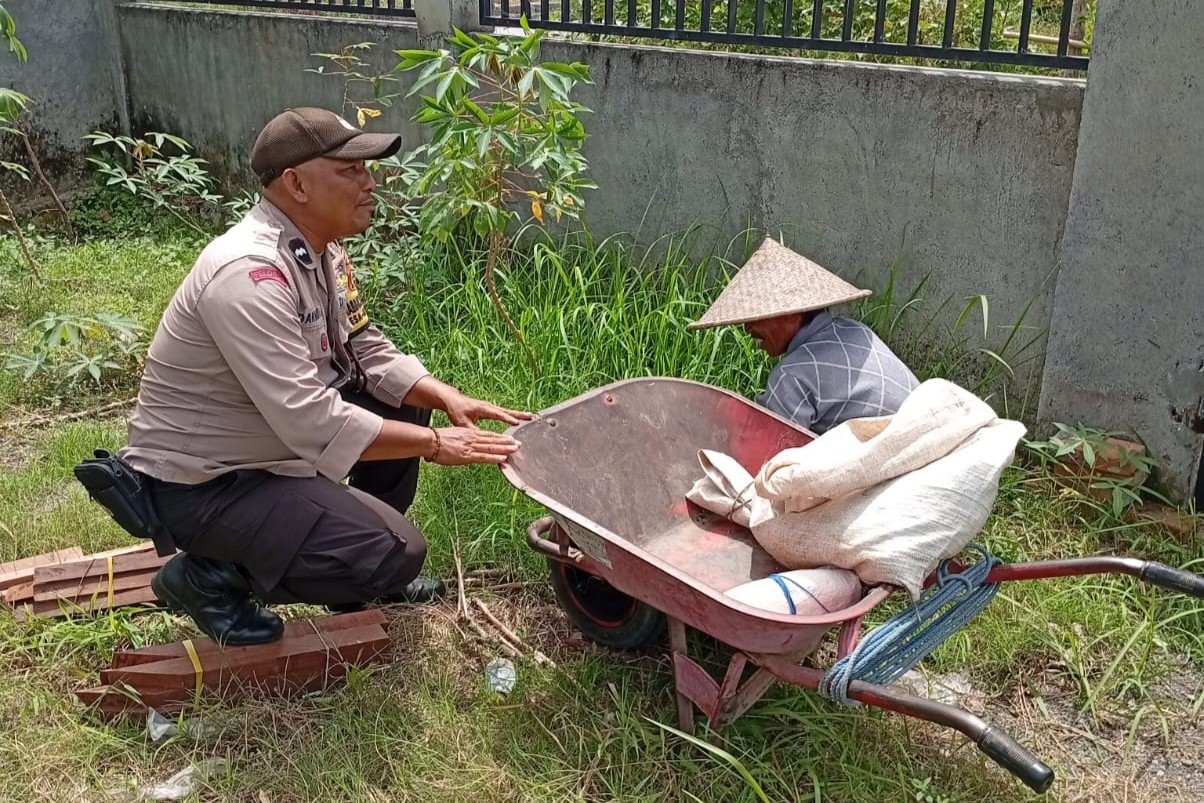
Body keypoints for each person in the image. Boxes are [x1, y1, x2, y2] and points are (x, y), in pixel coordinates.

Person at [119, 107, 529, 646]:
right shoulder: (247, 275)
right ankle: (208, 576)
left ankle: (346, 558)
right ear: (296, 184)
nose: (370, 182)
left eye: (367, 169)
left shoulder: (320, 251)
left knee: (404, 400)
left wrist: (443, 395)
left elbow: (358, 345)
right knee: (398, 552)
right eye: (350, 170)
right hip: (207, 483)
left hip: (270, 450)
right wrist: (434, 444)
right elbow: (310, 420)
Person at [689, 237, 918, 434]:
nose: (748, 329)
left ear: (791, 314)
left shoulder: (792, 376)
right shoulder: (856, 330)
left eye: (756, 317)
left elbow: (773, 457)